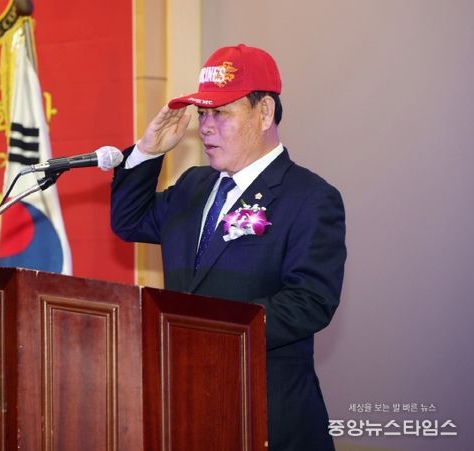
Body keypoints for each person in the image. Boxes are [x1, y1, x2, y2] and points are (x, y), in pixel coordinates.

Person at [110, 44, 346, 451]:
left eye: (220, 113)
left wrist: (212, 331)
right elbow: (128, 221)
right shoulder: (193, 185)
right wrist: (148, 151)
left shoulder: (309, 197)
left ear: (265, 112)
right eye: (202, 114)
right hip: (186, 408)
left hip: (266, 412)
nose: (205, 127)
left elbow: (310, 301)